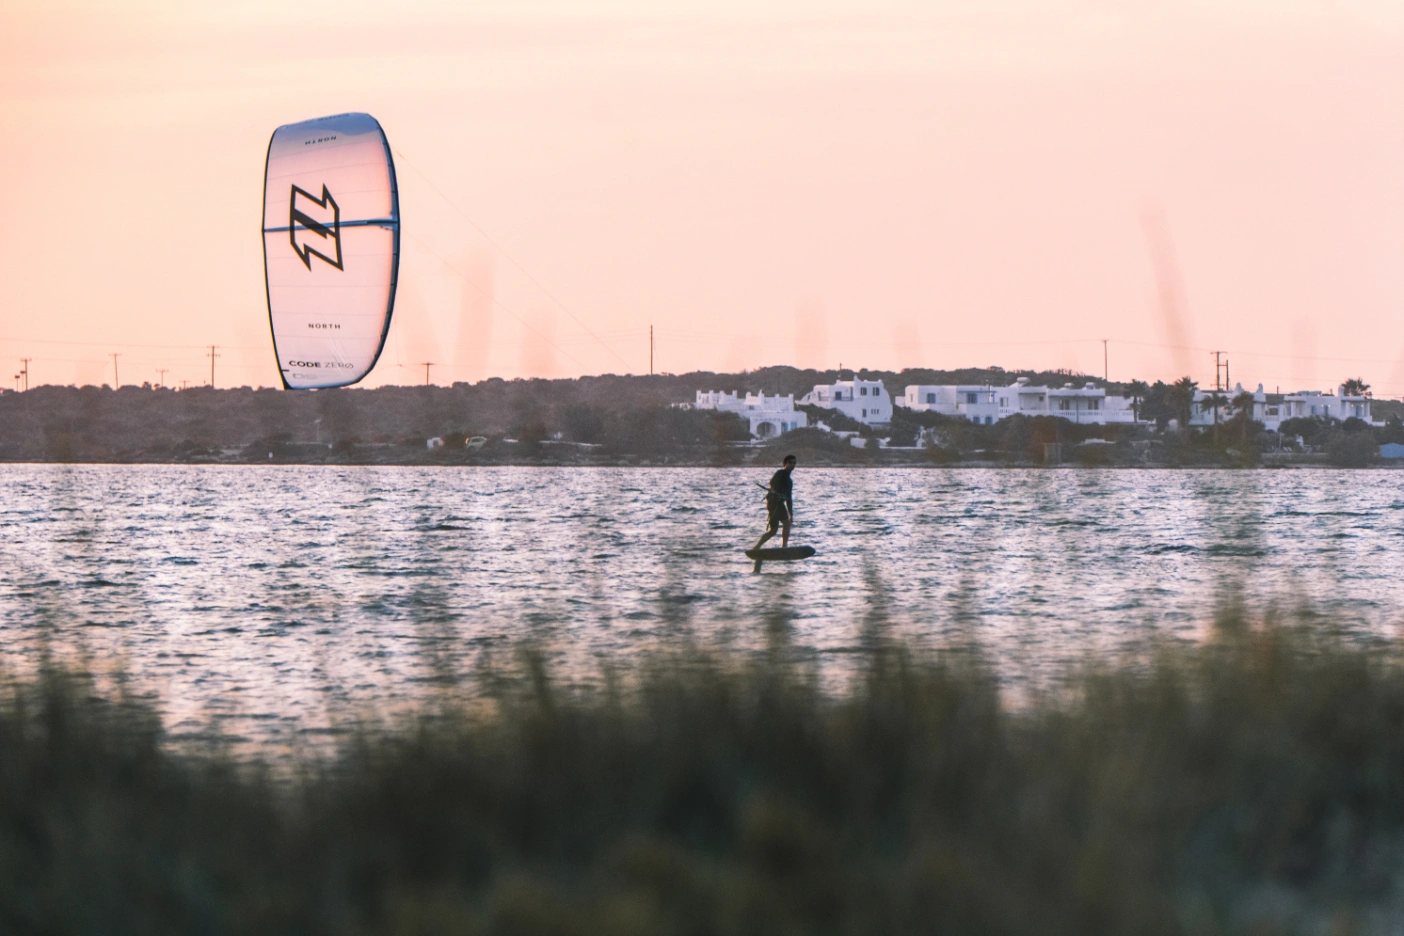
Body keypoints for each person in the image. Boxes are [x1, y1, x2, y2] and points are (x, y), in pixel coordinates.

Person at [754, 454, 797, 550]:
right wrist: (777, 491)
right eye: (790, 463)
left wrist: (791, 514)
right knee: (786, 524)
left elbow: (789, 498)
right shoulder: (780, 473)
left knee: (773, 531)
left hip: (778, 504)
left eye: (794, 463)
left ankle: (756, 547)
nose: (792, 465)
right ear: (785, 464)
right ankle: (784, 547)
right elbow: (772, 483)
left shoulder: (789, 481)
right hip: (773, 503)